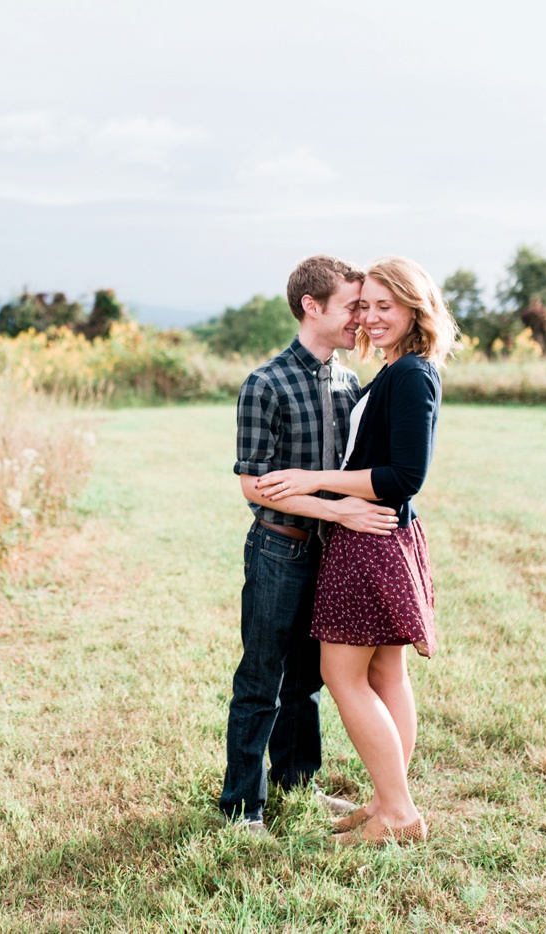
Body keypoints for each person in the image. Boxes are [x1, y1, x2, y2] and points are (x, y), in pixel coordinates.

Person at [255, 255, 459, 845]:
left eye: (384, 307)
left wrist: (311, 477)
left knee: (342, 676)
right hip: (379, 534)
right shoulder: (401, 369)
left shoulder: (411, 373)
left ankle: (397, 813)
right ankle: (384, 801)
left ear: (415, 309)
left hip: (371, 538)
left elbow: (403, 476)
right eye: (363, 306)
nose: (370, 318)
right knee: (385, 673)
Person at [220, 255, 402, 834]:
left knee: (309, 681)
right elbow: (254, 483)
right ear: (312, 307)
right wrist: (335, 508)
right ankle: (242, 807)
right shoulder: (266, 382)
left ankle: (298, 782)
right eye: (352, 307)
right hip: (279, 549)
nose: (361, 319)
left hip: (331, 551)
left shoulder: (349, 381)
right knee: (262, 679)